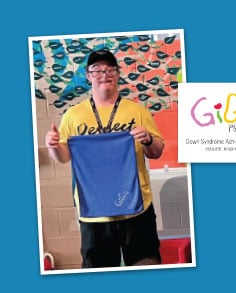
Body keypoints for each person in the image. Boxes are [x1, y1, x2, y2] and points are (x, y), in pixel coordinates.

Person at [45, 49, 165, 268]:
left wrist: (148, 139)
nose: (104, 74)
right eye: (97, 70)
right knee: (97, 272)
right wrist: (52, 145)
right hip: (94, 214)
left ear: (118, 74)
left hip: (137, 210)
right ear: (89, 76)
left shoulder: (137, 111)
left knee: (145, 266)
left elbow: (156, 151)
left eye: (110, 69)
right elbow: (63, 156)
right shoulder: (73, 115)